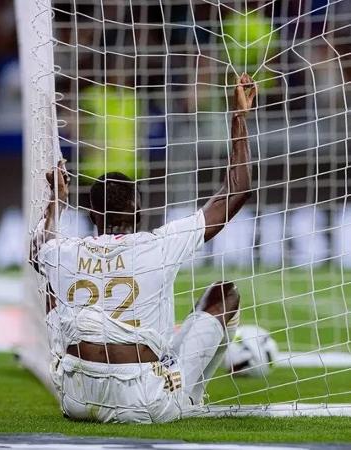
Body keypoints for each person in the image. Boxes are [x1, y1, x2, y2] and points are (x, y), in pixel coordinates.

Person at [30, 74, 257, 423]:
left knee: (51, 286)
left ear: (91, 214)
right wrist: (238, 117)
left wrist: (57, 202)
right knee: (223, 294)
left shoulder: (62, 251)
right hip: (142, 401)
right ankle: (190, 396)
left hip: (76, 399)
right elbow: (235, 192)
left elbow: (38, 249)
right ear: (139, 211)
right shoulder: (159, 244)